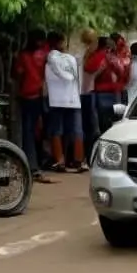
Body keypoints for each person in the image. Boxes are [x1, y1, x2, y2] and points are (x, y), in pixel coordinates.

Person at [12, 29, 54, 183]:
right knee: (37, 130)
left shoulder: (23, 55)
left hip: (26, 95)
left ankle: (30, 164)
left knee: (28, 131)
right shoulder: (44, 55)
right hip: (39, 94)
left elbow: (18, 73)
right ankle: (35, 164)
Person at [44, 33, 85, 173]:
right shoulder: (71, 59)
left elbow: (53, 74)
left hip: (56, 99)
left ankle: (59, 162)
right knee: (76, 130)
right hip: (73, 98)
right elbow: (77, 79)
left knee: (56, 130)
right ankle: (78, 161)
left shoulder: (50, 57)